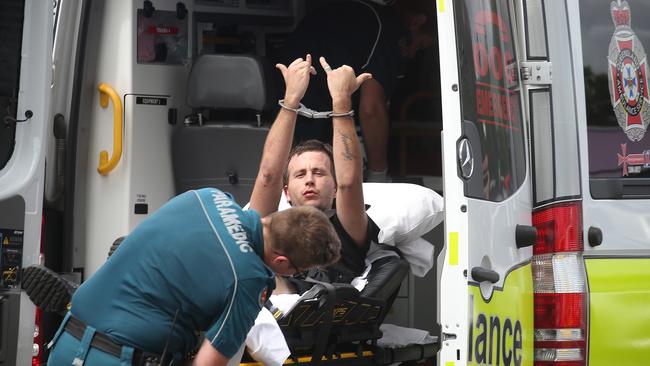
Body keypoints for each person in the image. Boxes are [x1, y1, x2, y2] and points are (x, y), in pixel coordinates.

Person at [251, 54, 377, 291]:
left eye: (319, 173)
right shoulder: (269, 227)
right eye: (300, 175)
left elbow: (350, 181)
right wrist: (290, 100)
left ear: (335, 188)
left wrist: (341, 100)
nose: (309, 180)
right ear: (286, 192)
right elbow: (269, 176)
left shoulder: (347, 228)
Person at [277, 0, 436, 182]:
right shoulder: (389, 33)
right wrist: (379, 173)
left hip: (286, 102)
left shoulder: (353, 10)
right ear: (417, 22)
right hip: (315, 117)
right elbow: (371, 109)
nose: (413, 54)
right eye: (420, 45)